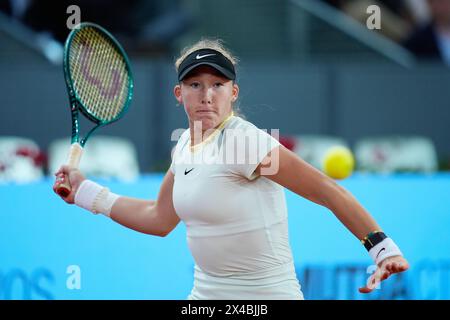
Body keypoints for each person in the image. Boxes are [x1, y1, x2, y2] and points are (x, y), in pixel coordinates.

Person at [53, 38, 409, 300]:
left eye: (217, 85)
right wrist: (85, 192)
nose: (207, 95)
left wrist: (382, 249)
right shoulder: (184, 146)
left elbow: (327, 191)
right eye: (195, 85)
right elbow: (158, 217)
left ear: (233, 92)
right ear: (179, 94)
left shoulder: (243, 141)